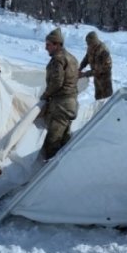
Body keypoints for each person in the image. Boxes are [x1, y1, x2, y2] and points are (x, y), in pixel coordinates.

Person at [40, 28, 79, 160]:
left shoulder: (58, 59)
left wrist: (45, 95)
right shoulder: (72, 58)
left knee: (52, 143)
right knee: (64, 140)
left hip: (61, 105)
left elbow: (57, 82)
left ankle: (50, 175)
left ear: (56, 44)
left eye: (48, 45)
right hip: (71, 103)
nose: (46, 48)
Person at [78, 31, 113, 100]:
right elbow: (87, 58)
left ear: (94, 42)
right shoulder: (91, 47)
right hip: (96, 75)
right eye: (87, 43)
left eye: (89, 43)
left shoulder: (103, 51)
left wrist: (83, 74)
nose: (88, 45)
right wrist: (79, 68)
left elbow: (97, 70)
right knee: (98, 96)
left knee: (107, 98)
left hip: (105, 75)